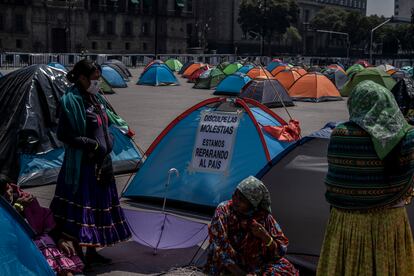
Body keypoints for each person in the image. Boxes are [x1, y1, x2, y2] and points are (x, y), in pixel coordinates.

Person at [317, 80, 414, 275]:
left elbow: (336, 182)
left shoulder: (341, 134)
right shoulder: (407, 137)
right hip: (389, 225)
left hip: (346, 223)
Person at [50, 59, 131, 265]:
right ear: (82, 78)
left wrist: (109, 140)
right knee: (80, 212)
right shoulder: (71, 101)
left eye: (99, 78)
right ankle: (76, 256)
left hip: (102, 165)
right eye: (94, 79)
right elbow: (64, 135)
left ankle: (93, 252)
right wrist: (92, 145)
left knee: (96, 210)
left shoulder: (96, 98)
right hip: (83, 166)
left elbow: (105, 123)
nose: (98, 82)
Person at [205, 176, 298, 275]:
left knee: (285, 270)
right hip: (230, 265)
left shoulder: (263, 217)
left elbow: (279, 252)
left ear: (252, 203)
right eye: (235, 194)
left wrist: (265, 236)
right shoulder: (224, 211)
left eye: (242, 199)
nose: (235, 200)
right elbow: (220, 248)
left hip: (256, 265)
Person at [1, 180, 84, 276]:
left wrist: (59, 239)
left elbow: (45, 220)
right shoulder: (6, 208)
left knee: (64, 267)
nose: (8, 192)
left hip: (41, 243)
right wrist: (16, 208)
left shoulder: (24, 198)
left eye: (8, 188)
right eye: (3, 191)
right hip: (20, 249)